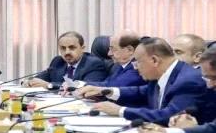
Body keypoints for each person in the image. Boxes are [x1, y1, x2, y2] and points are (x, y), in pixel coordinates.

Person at [78, 37, 209, 125]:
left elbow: (170, 115)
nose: (135, 67)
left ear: (154, 60)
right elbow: (142, 91)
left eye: (138, 62)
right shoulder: (162, 74)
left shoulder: (188, 80)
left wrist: (120, 111)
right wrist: (107, 91)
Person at [27, 31, 108, 89]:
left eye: (72, 47)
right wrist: (29, 82)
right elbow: (40, 79)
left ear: (82, 48)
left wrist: (49, 85)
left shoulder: (94, 64)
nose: (67, 52)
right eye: (63, 48)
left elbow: (85, 88)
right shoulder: (58, 61)